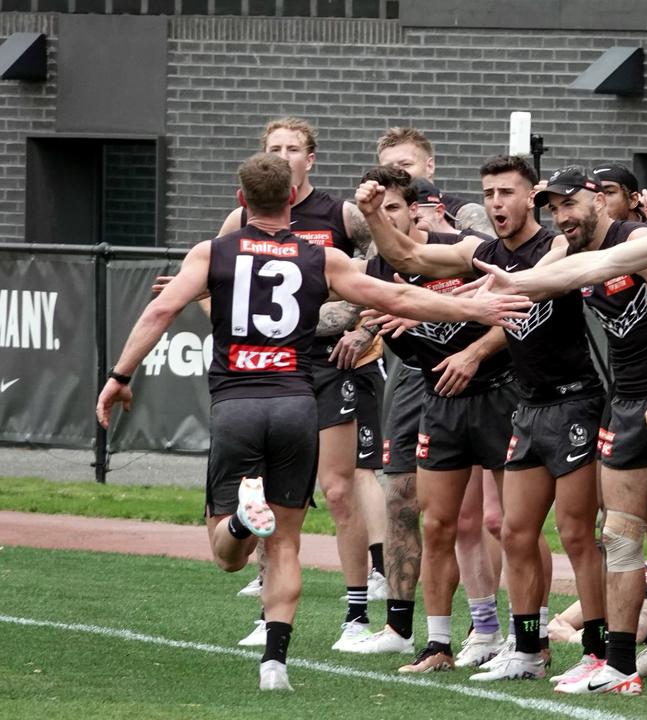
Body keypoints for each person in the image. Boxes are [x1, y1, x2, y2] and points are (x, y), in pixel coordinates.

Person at [94, 152, 531, 691]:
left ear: (241, 201)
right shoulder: (319, 258)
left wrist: (119, 374)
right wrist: (476, 310)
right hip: (299, 404)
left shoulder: (214, 252)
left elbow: (161, 311)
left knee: (228, 553)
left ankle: (238, 525)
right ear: (290, 202)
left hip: (237, 403)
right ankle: (275, 665)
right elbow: (396, 293)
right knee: (287, 543)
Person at [475, 165, 647, 696]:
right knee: (617, 535)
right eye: (553, 209)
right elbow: (546, 276)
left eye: (570, 204)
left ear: (599, 201)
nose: (562, 216)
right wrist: (497, 288)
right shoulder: (572, 254)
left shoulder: (638, 244)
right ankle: (616, 660)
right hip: (625, 404)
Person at [359, 155, 607, 683]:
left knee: (575, 533)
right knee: (508, 531)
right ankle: (519, 648)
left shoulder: (556, 244)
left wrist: (489, 302)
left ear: (531, 197)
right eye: (489, 193)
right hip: (526, 405)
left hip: (568, 398)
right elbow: (407, 253)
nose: (497, 203)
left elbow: (552, 270)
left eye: (508, 193)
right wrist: (376, 215)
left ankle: (597, 652)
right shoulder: (481, 252)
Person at [213, 117, 381, 650]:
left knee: (337, 487)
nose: (284, 155)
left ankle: (356, 615)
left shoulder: (340, 214)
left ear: (311, 159)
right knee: (260, 492)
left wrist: (361, 323)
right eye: (274, 148)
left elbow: (391, 267)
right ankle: (270, 609)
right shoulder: (241, 217)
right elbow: (206, 284)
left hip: (329, 364)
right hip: (267, 371)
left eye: (293, 148)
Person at [375, 126, 495, 235]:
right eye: (388, 168)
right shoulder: (378, 216)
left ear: (430, 166)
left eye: (406, 164)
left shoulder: (465, 214)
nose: (397, 173)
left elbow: (494, 256)